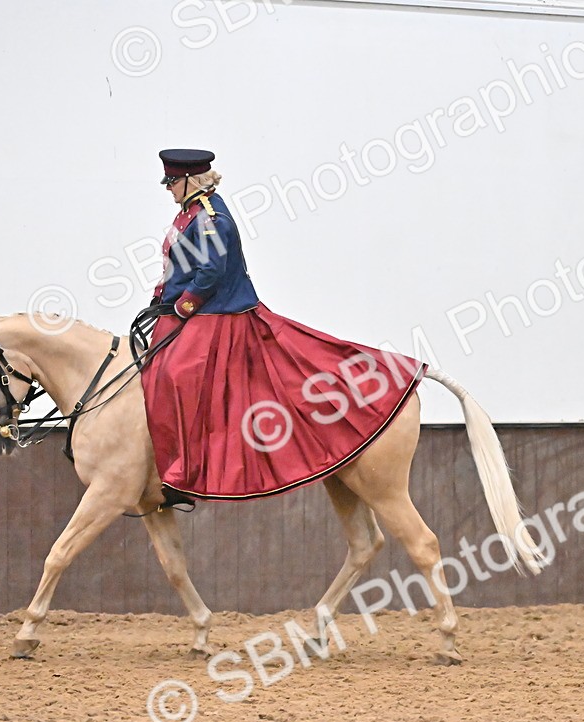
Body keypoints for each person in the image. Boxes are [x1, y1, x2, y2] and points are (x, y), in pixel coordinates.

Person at [140, 148, 425, 507]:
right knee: (154, 368)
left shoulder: (211, 218)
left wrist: (183, 306)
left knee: (180, 373)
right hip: (192, 311)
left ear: (189, 181)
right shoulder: (189, 214)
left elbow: (210, 272)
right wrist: (160, 299)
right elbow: (176, 265)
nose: (167, 188)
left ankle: (189, 471)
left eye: (171, 182)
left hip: (218, 314)